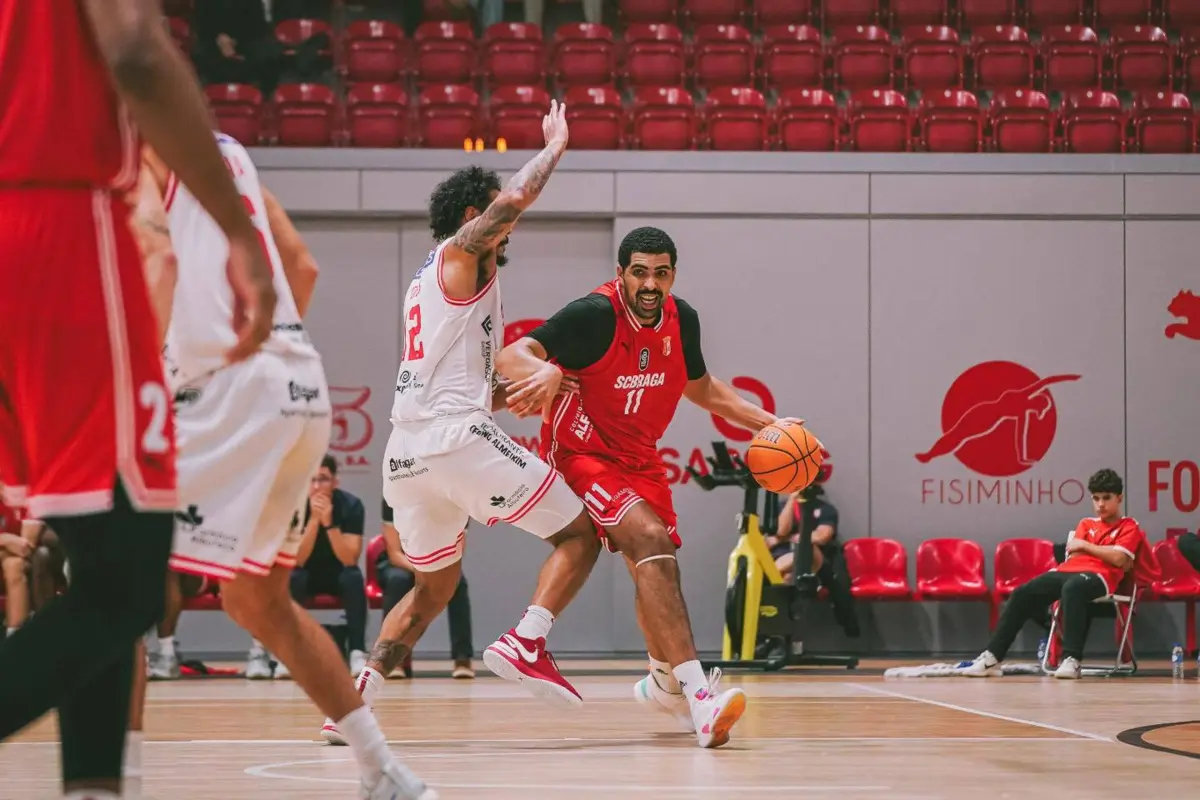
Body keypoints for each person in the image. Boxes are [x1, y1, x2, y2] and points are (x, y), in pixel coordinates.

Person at [0, 1, 279, 797]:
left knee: (90, 563)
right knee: (132, 586)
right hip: (59, 229)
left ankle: (94, 787)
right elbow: (137, 53)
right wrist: (239, 234)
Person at [132, 135, 435, 800]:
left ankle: (112, 782)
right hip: (299, 384)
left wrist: (145, 381)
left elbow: (156, 262)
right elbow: (302, 267)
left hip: (225, 388)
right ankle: (383, 770)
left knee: (117, 579)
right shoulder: (232, 154)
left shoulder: (143, 151)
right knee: (257, 600)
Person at [321, 101, 603, 745]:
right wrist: (554, 147)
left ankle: (350, 706)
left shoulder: (432, 283)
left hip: (408, 454)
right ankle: (528, 641)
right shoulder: (458, 253)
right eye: (496, 215)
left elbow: (456, 383)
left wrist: (509, 396)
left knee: (431, 590)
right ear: (473, 216)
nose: (509, 228)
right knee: (582, 533)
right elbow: (511, 204)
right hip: (450, 441)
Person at [495, 226, 806, 749]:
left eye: (660, 273)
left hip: (640, 459)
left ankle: (664, 681)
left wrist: (770, 425)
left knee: (656, 566)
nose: (649, 283)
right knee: (651, 542)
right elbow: (510, 357)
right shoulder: (593, 316)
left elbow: (702, 388)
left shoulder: (682, 321)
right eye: (639, 272)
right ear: (621, 275)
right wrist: (545, 370)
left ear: (672, 277)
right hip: (582, 451)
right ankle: (697, 694)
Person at [961, 469, 1157, 680]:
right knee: (1022, 593)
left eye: (1107, 498)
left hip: (1101, 577)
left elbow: (1119, 560)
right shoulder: (1086, 523)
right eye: (1096, 498)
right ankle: (992, 657)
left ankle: (1072, 659)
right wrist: (1101, 551)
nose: (1101, 504)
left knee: (1073, 588)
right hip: (1068, 570)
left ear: (1119, 498)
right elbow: (1077, 552)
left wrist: (1085, 545)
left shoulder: (1129, 526)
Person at [380, 500, 475, 678]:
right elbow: (394, 553)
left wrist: (432, 569)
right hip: (404, 564)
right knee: (397, 581)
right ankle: (392, 659)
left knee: (458, 584)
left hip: (438, 562)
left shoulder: (455, 498)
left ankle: (462, 658)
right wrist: (422, 569)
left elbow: (457, 549)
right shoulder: (394, 496)